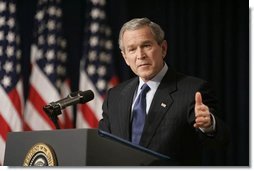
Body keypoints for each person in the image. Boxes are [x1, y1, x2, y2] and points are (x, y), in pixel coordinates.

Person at [98, 17, 229, 165]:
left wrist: (209, 126)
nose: (140, 55)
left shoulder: (192, 90)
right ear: (125, 57)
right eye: (132, 49)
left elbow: (220, 142)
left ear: (163, 48)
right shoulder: (114, 96)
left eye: (146, 45)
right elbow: (102, 145)